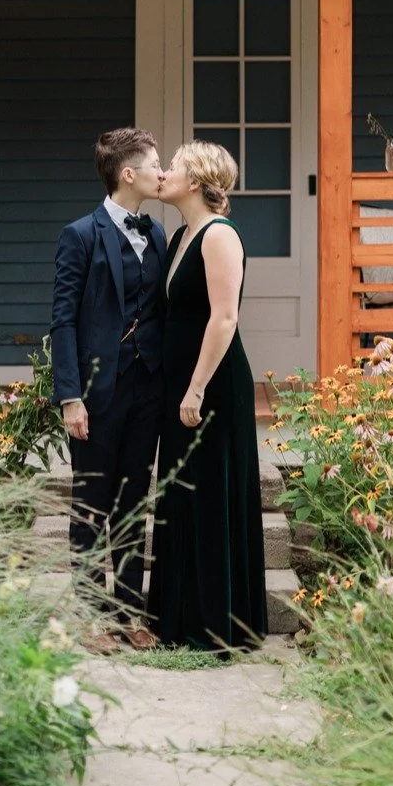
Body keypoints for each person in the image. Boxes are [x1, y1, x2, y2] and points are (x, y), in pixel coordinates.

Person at [147, 141, 267, 651]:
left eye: (171, 166)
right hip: (180, 384)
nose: (163, 174)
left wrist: (195, 388)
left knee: (210, 495)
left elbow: (224, 317)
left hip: (211, 385)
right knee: (181, 494)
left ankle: (218, 624)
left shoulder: (220, 236)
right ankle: (178, 618)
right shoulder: (180, 236)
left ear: (195, 181)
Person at [50, 128, 166, 652]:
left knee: (134, 502)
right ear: (128, 174)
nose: (161, 172)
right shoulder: (80, 235)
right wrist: (70, 396)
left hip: (147, 388)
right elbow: (63, 321)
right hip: (97, 393)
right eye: (154, 164)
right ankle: (91, 618)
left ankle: (128, 613)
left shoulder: (158, 234)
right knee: (92, 503)